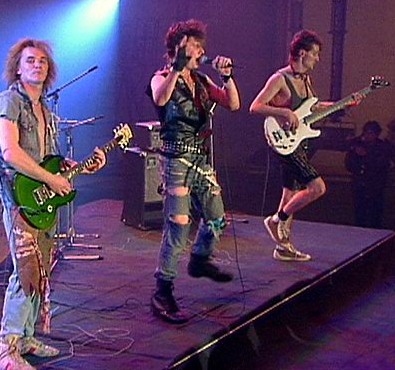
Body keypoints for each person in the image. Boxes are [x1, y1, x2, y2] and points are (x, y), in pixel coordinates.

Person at [0, 38, 106, 370]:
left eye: (42, 61)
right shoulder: (8, 101)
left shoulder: (47, 112)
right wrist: (51, 180)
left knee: (40, 269)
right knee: (25, 270)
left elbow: (51, 161)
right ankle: (7, 351)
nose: (37, 64)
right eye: (30, 60)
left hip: (41, 199)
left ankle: (25, 337)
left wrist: (75, 167)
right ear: (17, 68)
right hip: (19, 198)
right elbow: (10, 153)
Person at [147, 19, 241, 324]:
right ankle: (163, 290)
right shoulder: (161, 77)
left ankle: (200, 259)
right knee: (179, 224)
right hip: (175, 159)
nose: (200, 52)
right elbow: (160, 98)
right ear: (178, 48)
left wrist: (227, 77)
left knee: (217, 218)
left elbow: (233, 104)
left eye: (201, 47)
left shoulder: (201, 81)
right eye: (194, 46)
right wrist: (177, 69)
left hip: (200, 158)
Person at [249, 29, 362, 261]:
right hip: (283, 142)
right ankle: (276, 220)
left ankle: (283, 247)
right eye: (315, 53)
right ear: (302, 53)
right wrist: (283, 112)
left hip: (298, 142)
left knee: (289, 194)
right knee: (317, 188)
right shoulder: (279, 79)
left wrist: (342, 104)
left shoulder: (305, 79)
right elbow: (255, 106)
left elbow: (312, 107)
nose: (317, 59)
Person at [345, 120, 395, 228]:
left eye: (371, 133)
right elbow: (349, 164)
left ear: (376, 134)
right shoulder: (357, 145)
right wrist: (356, 156)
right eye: (366, 132)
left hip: (376, 186)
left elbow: (383, 165)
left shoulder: (382, 147)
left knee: (375, 214)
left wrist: (367, 156)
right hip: (359, 185)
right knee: (360, 213)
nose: (368, 136)